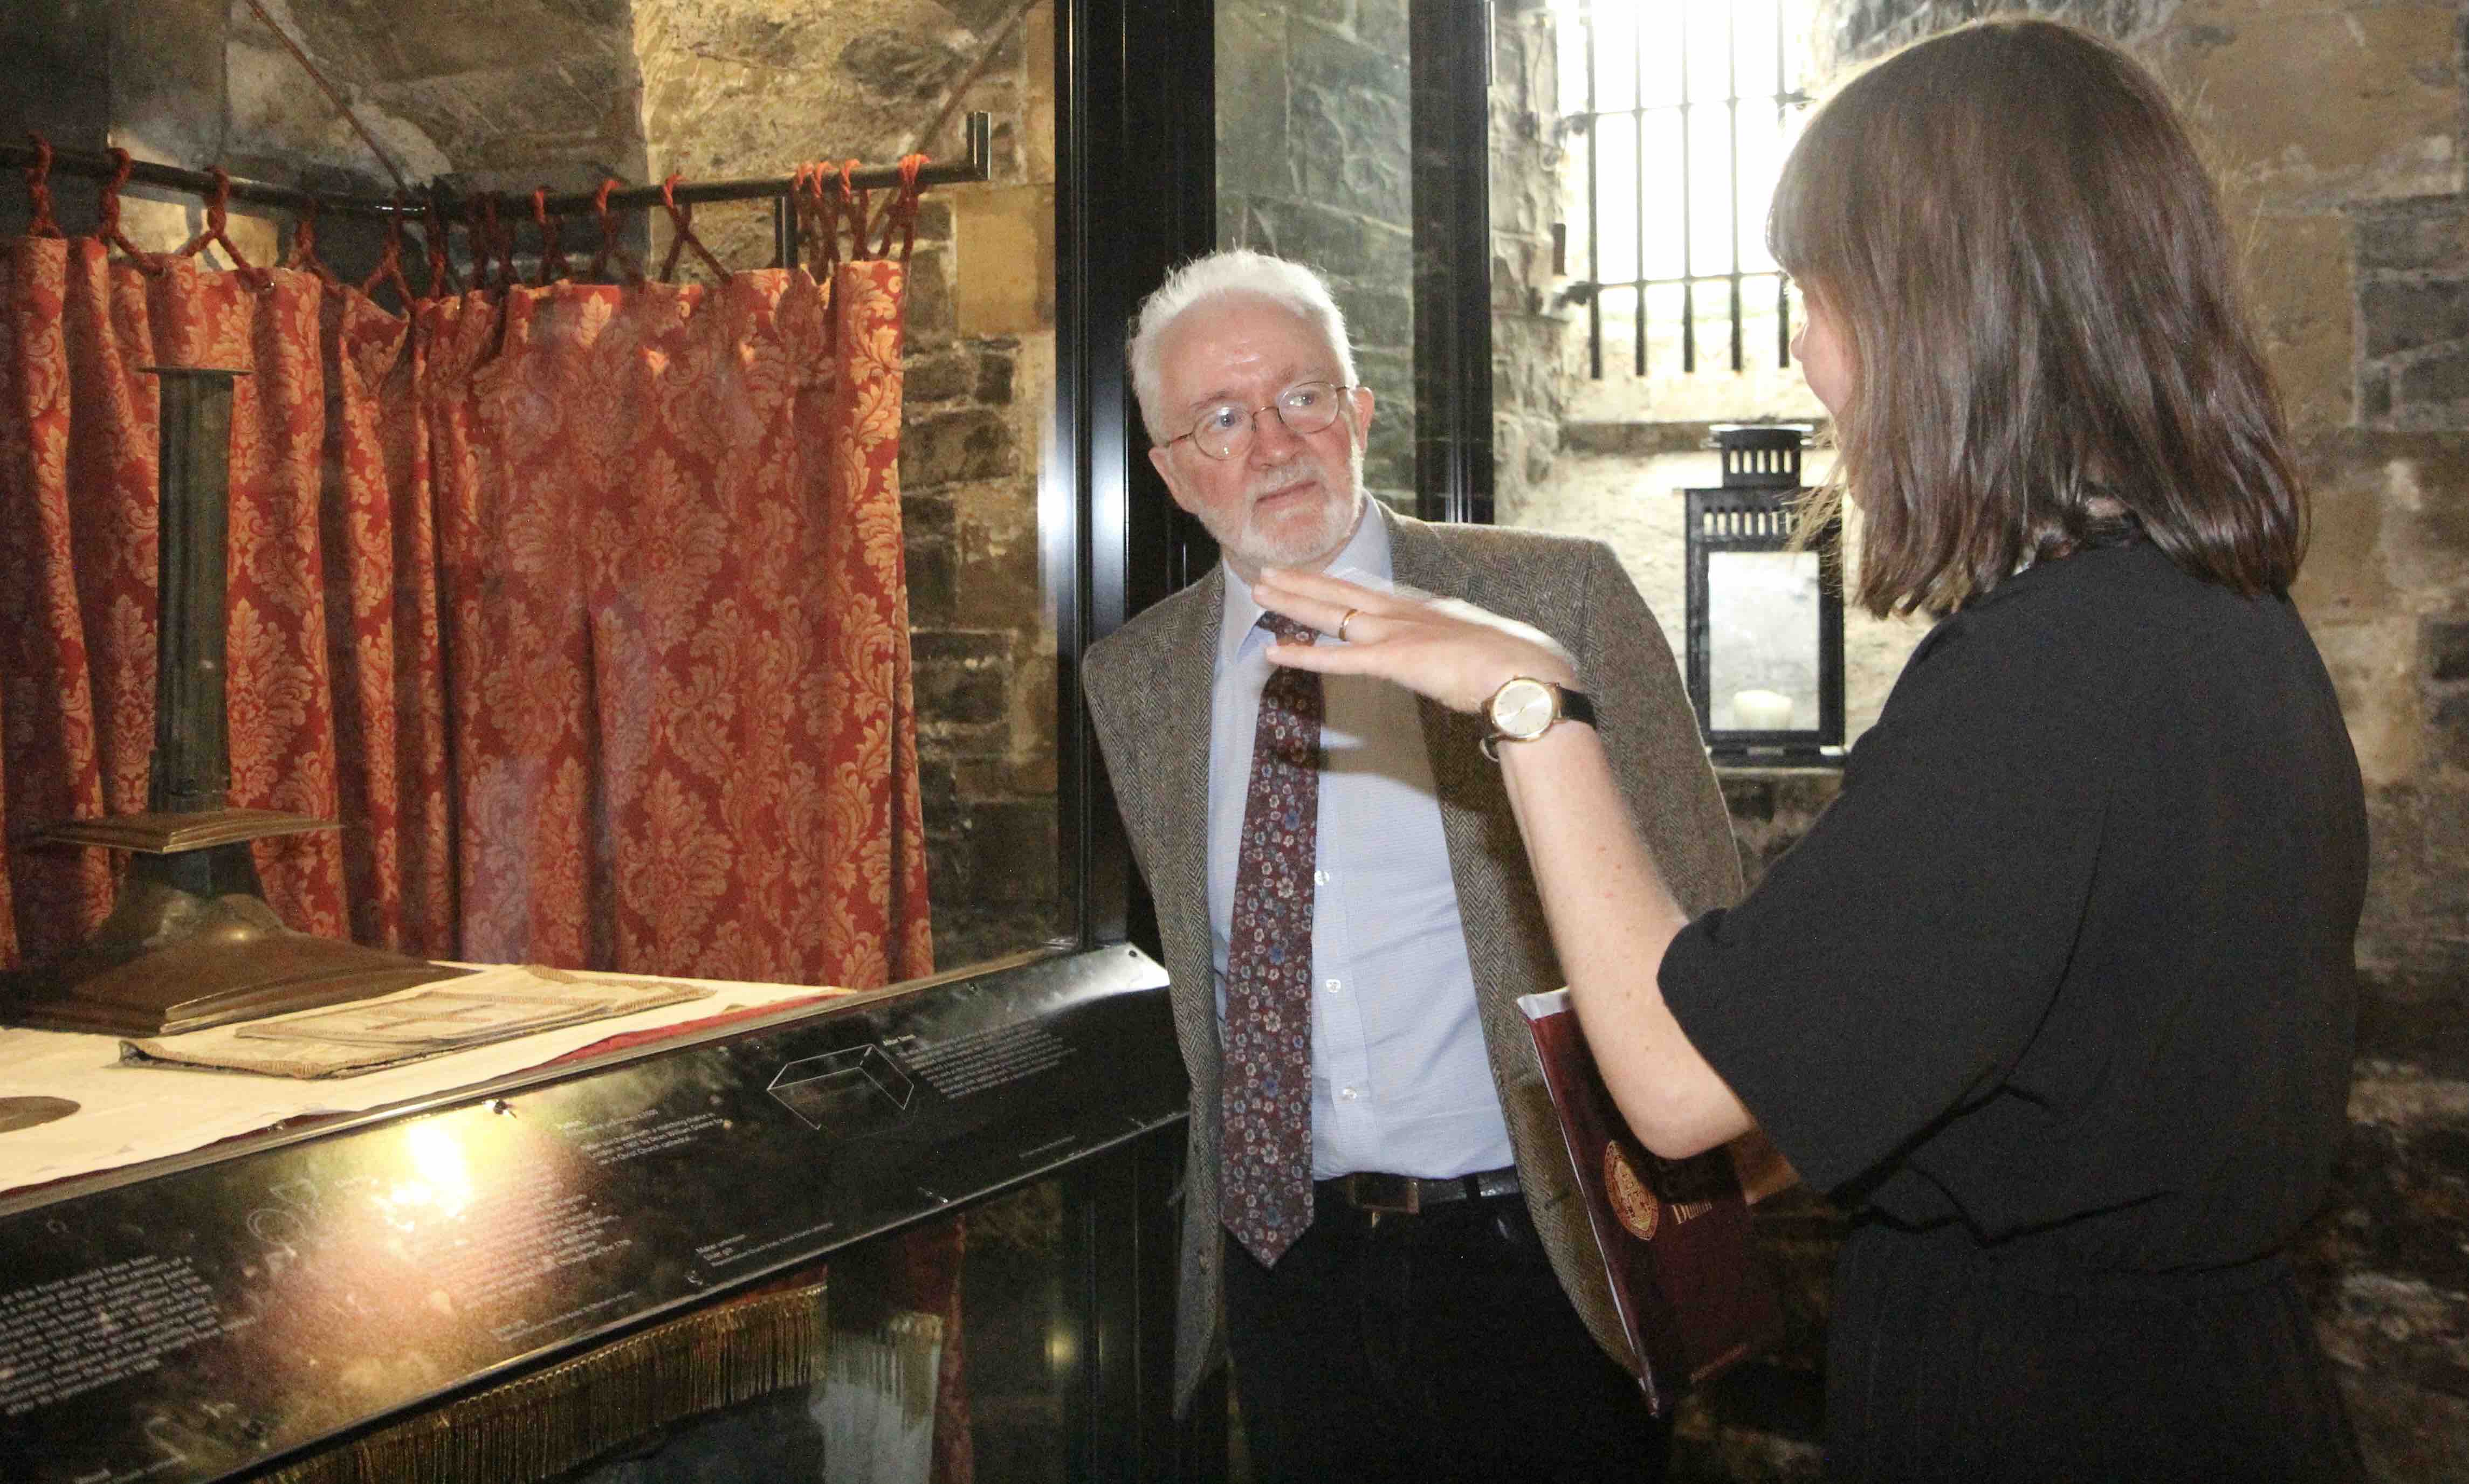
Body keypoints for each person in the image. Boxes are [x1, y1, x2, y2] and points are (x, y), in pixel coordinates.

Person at [1254, 19, 2369, 1483]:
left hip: (2053, 1413)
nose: (1803, 352)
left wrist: (1529, 699)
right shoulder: (2216, 620)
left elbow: (1669, 1079)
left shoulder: (2043, 673)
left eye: (1815, 293)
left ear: (1949, 306)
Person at [1081, 248, 1742, 1483]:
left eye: (1303, 397)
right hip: (1289, 1269)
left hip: (1534, 1256)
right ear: (1173, 470)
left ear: (1360, 413)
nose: (1272, 444)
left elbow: (1707, 915)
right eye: (1221, 419)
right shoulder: (1137, 680)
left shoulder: (1553, 603)